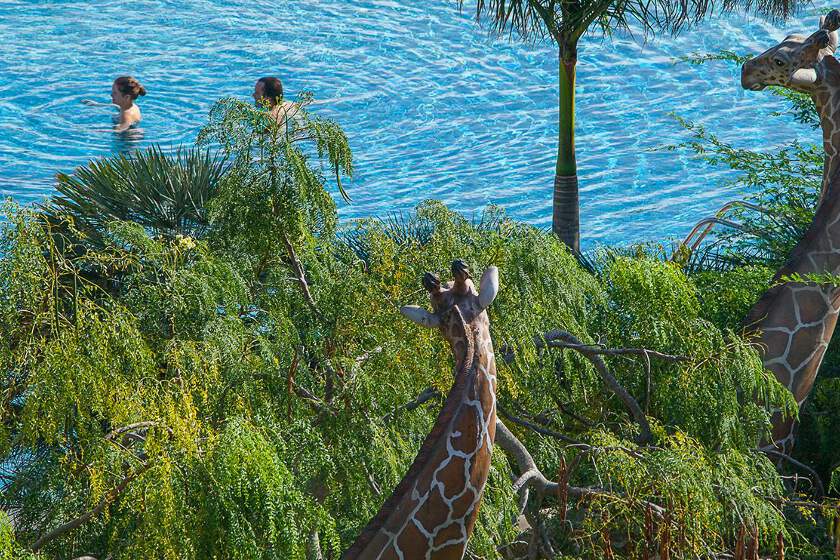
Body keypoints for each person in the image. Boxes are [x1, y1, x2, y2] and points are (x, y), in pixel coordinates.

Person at [82, 76, 146, 132]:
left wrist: (95, 130)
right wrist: (97, 104)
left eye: (115, 93)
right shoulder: (131, 106)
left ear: (127, 97)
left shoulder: (126, 115)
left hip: (125, 140)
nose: (111, 95)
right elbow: (118, 107)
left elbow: (120, 130)